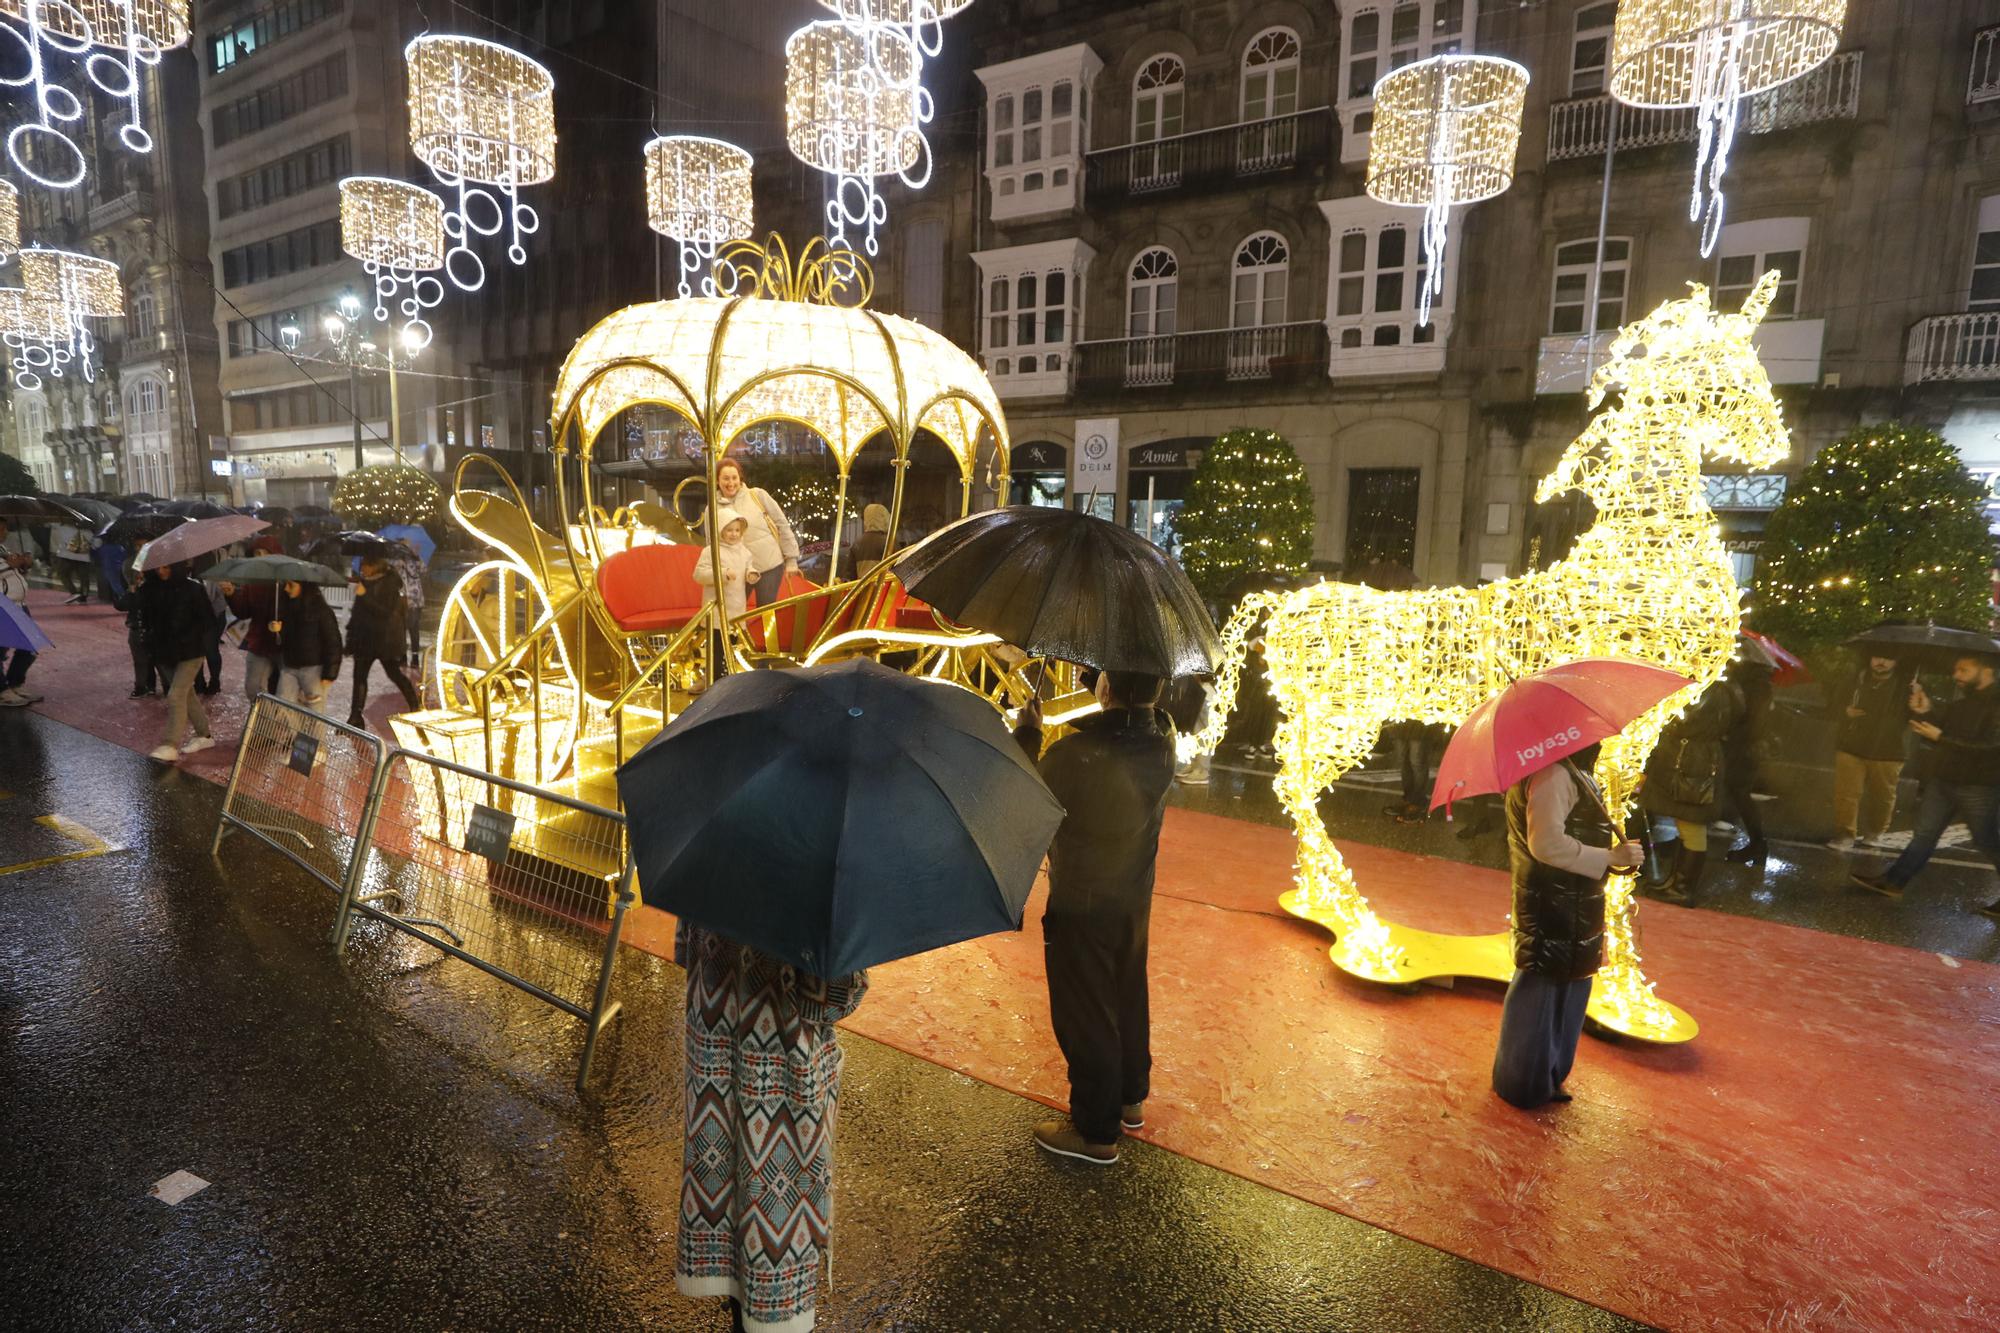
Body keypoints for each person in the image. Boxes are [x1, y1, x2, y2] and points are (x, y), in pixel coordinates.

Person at [1014, 670, 1177, 1165]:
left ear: (1105, 689)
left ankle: (1095, 1130)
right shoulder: (1164, 739)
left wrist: (1028, 734)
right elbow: (1128, 700)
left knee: (1086, 1013)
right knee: (1127, 992)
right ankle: (1130, 1097)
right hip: (1132, 898)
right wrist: (1105, 682)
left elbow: (1021, 800)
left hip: (1081, 902)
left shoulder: (1073, 756)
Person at [674, 920, 866, 1333]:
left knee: (726, 1206)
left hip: (714, 1069)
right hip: (781, 1087)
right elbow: (833, 1000)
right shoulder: (813, 896)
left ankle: (734, 1306)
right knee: (773, 1224)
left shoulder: (709, 863)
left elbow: (681, 949)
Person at [1492, 747, 1644, 1110]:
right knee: (1544, 987)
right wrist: (1609, 858)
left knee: (1565, 986)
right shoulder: (1554, 774)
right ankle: (1524, 1083)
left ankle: (1543, 1077)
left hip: (1571, 901)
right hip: (1555, 903)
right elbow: (1545, 844)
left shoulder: (1567, 770)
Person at [1852, 654, 2000, 916]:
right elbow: (1944, 729)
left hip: (1978, 785)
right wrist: (1925, 711)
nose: (1956, 675)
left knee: (1986, 840)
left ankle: (1894, 881)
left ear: (1986, 672)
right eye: (1956, 669)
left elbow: (1991, 748)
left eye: (1963, 670)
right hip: (1945, 778)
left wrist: (1940, 737)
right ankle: (1893, 882)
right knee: (1924, 833)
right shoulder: (1963, 702)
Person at [1641, 678, 1744, 903]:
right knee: (1687, 824)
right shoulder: (1721, 688)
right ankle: (1675, 882)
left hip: (1694, 764)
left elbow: (1687, 722)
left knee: (1692, 824)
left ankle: (1683, 888)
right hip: (1694, 761)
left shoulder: (1711, 689)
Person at [1828, 654, 1911, 852]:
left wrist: (1918, 699)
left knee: (1882, 796)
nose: (1881, 661)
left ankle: (1875, 832)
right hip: (1852, 744)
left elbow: (1918, 715)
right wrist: (1844, 712)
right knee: (1846, 793)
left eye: (1887, 658)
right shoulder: (1854, 680)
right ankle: (1845, 834)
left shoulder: (1906, 686)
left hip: (1888, 749)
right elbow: (1832, 706)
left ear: (1896, 661)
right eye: (1876, 657)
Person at [138, 562, 218, 761]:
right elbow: (137, 614)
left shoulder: (193, 589)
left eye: (167, 567)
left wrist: (187, 635)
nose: (161, 571)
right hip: (163, 652)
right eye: (158, 567)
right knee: (186, 695)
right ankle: (204, 735)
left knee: (175, 695)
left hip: (190, 652)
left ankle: (170, 744)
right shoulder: (149, 589)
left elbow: (207, 620)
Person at [344, 554, 421, 728]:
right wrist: (351, 638)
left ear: (375, 565)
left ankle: (415, 704)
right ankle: (355, 717)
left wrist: (364, 596)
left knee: (394, 673)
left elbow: (384, 613)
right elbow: (357, 613)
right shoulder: (365, 582)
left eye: (364, 565)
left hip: (384, 640)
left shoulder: (390, 584)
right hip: (364, 640)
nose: (362, 568)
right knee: (359, 677)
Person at [714, 457, 800, 608]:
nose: (731, 483)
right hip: (736, 570)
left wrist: (791, 560)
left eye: (734, 478)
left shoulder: (757, 495)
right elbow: (712, 543)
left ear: (740, 478)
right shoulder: (713, 508)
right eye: (726, 478)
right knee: (732, 612)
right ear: (717, 480)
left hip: (769, 564)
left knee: (766, 613)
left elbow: (782, 524)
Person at [1719, 654, 1775, 864]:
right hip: (1741, 746)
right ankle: (1757, 844)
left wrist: (1730, 734)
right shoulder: (1751, 682)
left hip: (1742, 748)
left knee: (1740, 793)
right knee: (1738, 793)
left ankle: (1758, 844)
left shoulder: (1756, 685)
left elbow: (1753, 721)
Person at [266, 579, 342, 708]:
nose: (286, 589)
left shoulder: (321, 610)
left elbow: (333, 642)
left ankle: (314, 729)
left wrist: (330, 674)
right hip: (289, 666)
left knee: (315, 711)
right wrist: (276, 630)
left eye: (291, 585)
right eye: (286, 585)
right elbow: (283, 640)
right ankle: (292, 729)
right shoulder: (285, 607)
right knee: (283, 707)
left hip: (314, 669)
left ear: (304, 587)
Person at [0, 520, 42, 708]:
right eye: (1, 529)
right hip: (3, 605)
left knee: (29, 645)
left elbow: (13, 572)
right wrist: (9, 565)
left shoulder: (2, 548)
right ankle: (2, 691)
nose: (5, 532)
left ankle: (15, 682)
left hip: (19, 604)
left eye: (5, 528)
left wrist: (23, 564)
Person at [219, 579, 283, 702]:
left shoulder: (288, 583)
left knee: (285, 692)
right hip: (260, 644)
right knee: (253, 689)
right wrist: (232, 595)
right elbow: (243, 611)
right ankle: (264, 717)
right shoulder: (253, 584)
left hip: (286, 646)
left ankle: (282, 718)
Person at [693, 514, 753, 620]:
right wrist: (723, 573)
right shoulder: (711, 551)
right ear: (720, 530)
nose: (734, 534)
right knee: (718, 634)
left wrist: (750, 573)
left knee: (734, 634)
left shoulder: (745, 552)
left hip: (737, 608)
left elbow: (748, 566)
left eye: (737, 530)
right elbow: (699, 575)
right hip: (716, 609)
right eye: (729, 530)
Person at [849, 503, 891, 576]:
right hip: (885, 585)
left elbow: (850, 573)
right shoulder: (888, 541)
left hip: (862, 585)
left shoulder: (857, 543)